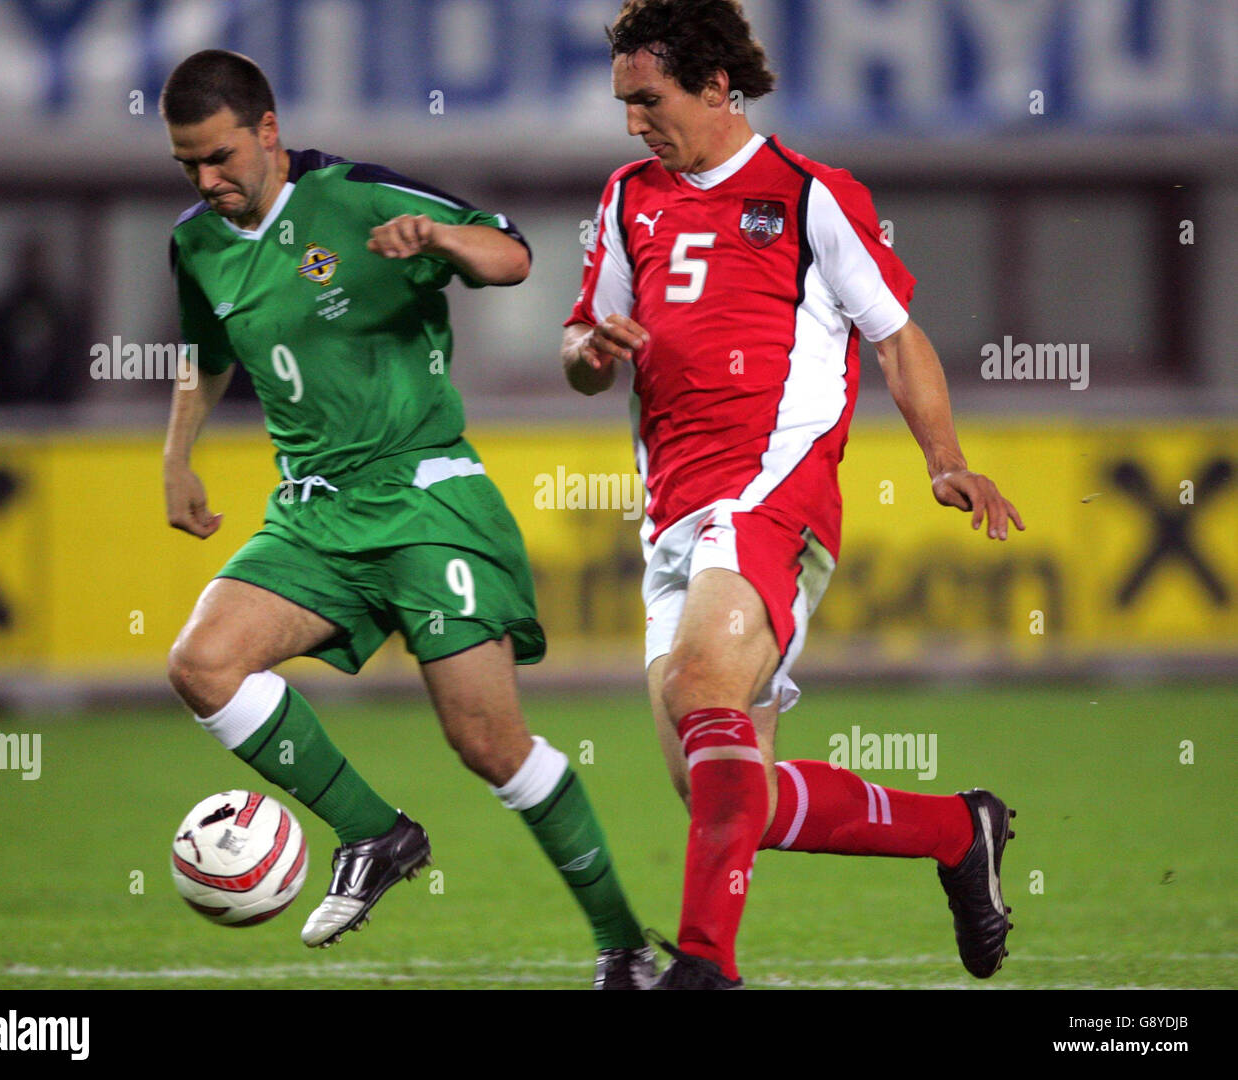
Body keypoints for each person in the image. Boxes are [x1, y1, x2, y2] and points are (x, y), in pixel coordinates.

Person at [161, 49, 653, 989]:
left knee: (488, 746)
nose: (207, 180)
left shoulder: (357, 196)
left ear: (268, 130)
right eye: (188, 164)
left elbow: (511, 255)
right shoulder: (196, 243)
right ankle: (376, 835)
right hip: (313, 514)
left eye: (221, 157)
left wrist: (435, 238)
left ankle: (625, 946)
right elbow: (206, 353)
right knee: (202, 664)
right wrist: (178, 457)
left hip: (426, 500)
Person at [561, 0, 1023, 989]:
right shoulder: (625, 198)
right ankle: (956, 831)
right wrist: (587, 352)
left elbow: (895, 335)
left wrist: (943, 458)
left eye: (648, 101)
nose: (633, 122)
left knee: (698, 692)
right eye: (623, 106)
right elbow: (582, 350)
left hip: (773, 492)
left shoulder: (808, 195)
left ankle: (703, 969)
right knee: (727, 798)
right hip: (673, 516)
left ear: (717, 89)